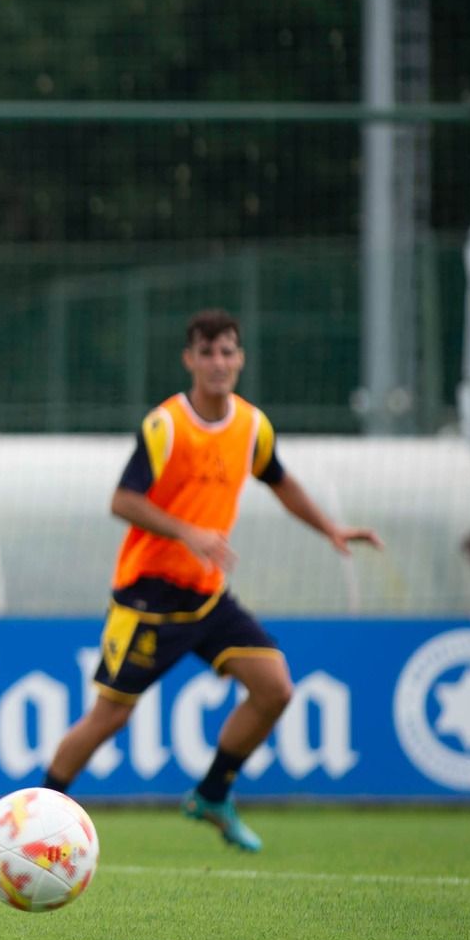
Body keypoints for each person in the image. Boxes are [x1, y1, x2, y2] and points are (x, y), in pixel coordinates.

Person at [41, 308, 382, 851]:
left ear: (240, 358)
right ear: (189, 360)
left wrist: (330, 528)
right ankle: (38, 812)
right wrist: (188, 533)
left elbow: (281, 481)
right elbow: (122, 500)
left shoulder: (252, 426)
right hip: (148, 598)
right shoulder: (166, 426)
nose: (218, 362)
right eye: (207, 352)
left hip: (207, 597)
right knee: (109, 718)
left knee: (275, 689)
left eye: (227, 351)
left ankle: (213, 793)